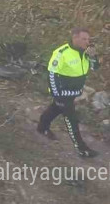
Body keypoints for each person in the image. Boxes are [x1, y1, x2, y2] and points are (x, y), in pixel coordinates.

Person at [37, 28, 100, 158]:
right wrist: (57, 95)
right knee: (71, 119)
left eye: (88, 39)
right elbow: (52, 75)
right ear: (75, 38)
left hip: (74, 92)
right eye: (84, 39)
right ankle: (82, 149)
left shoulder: (85, 53)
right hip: (62, 93)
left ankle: (42, 127)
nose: (87, 42)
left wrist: (93, 56)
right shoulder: (61, 53)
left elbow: (95, 67)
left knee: (55, 109)